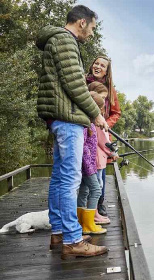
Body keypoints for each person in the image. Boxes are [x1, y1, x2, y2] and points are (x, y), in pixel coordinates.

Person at [36, 5, 108, 259]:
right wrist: (96, 114)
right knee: (69, 179)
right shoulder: (65, 41)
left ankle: (59, 231)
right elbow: (76, 86)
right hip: (67, 119)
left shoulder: (56, 40)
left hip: (60, 118)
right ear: (82, 22)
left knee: (59, 178)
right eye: (92, 27)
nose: (91, 32)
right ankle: (72, 239)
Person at [86, 56, 121, 217]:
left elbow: (116, 113)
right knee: (87, 170)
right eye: (96, 63)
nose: (98, 66)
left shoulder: (110, 90)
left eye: (102, 65)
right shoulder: (83, 83)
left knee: (100, 169)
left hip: (102, 134)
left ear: (107, 71)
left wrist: (105, 124)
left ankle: (99, 204)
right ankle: (86, 207)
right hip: (85, 131)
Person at [76, 91, 109, 235]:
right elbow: (84, 149)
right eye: (99, 109)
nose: (100, 113)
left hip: (87, 166)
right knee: (95, 190)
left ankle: (81, 222)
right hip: (88, 166)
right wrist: (90, 168)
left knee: (84, 191)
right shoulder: (86, 125)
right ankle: (89, 224)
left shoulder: (89, 124)